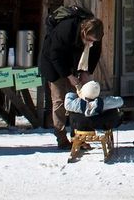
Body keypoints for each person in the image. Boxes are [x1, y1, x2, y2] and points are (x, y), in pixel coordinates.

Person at [38, 10, 104, 149]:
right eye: (90, 40)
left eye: (94, 41)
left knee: (79, 100)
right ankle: (61, 139)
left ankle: (79, 137)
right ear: (84, 31)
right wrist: (69, 76)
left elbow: (95, 53)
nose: (92, 43)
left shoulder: (97, 34)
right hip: (54, 65)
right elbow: (54, 55)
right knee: (60, 101)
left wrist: (87, 71)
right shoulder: (66, 30)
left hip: (74, 64)